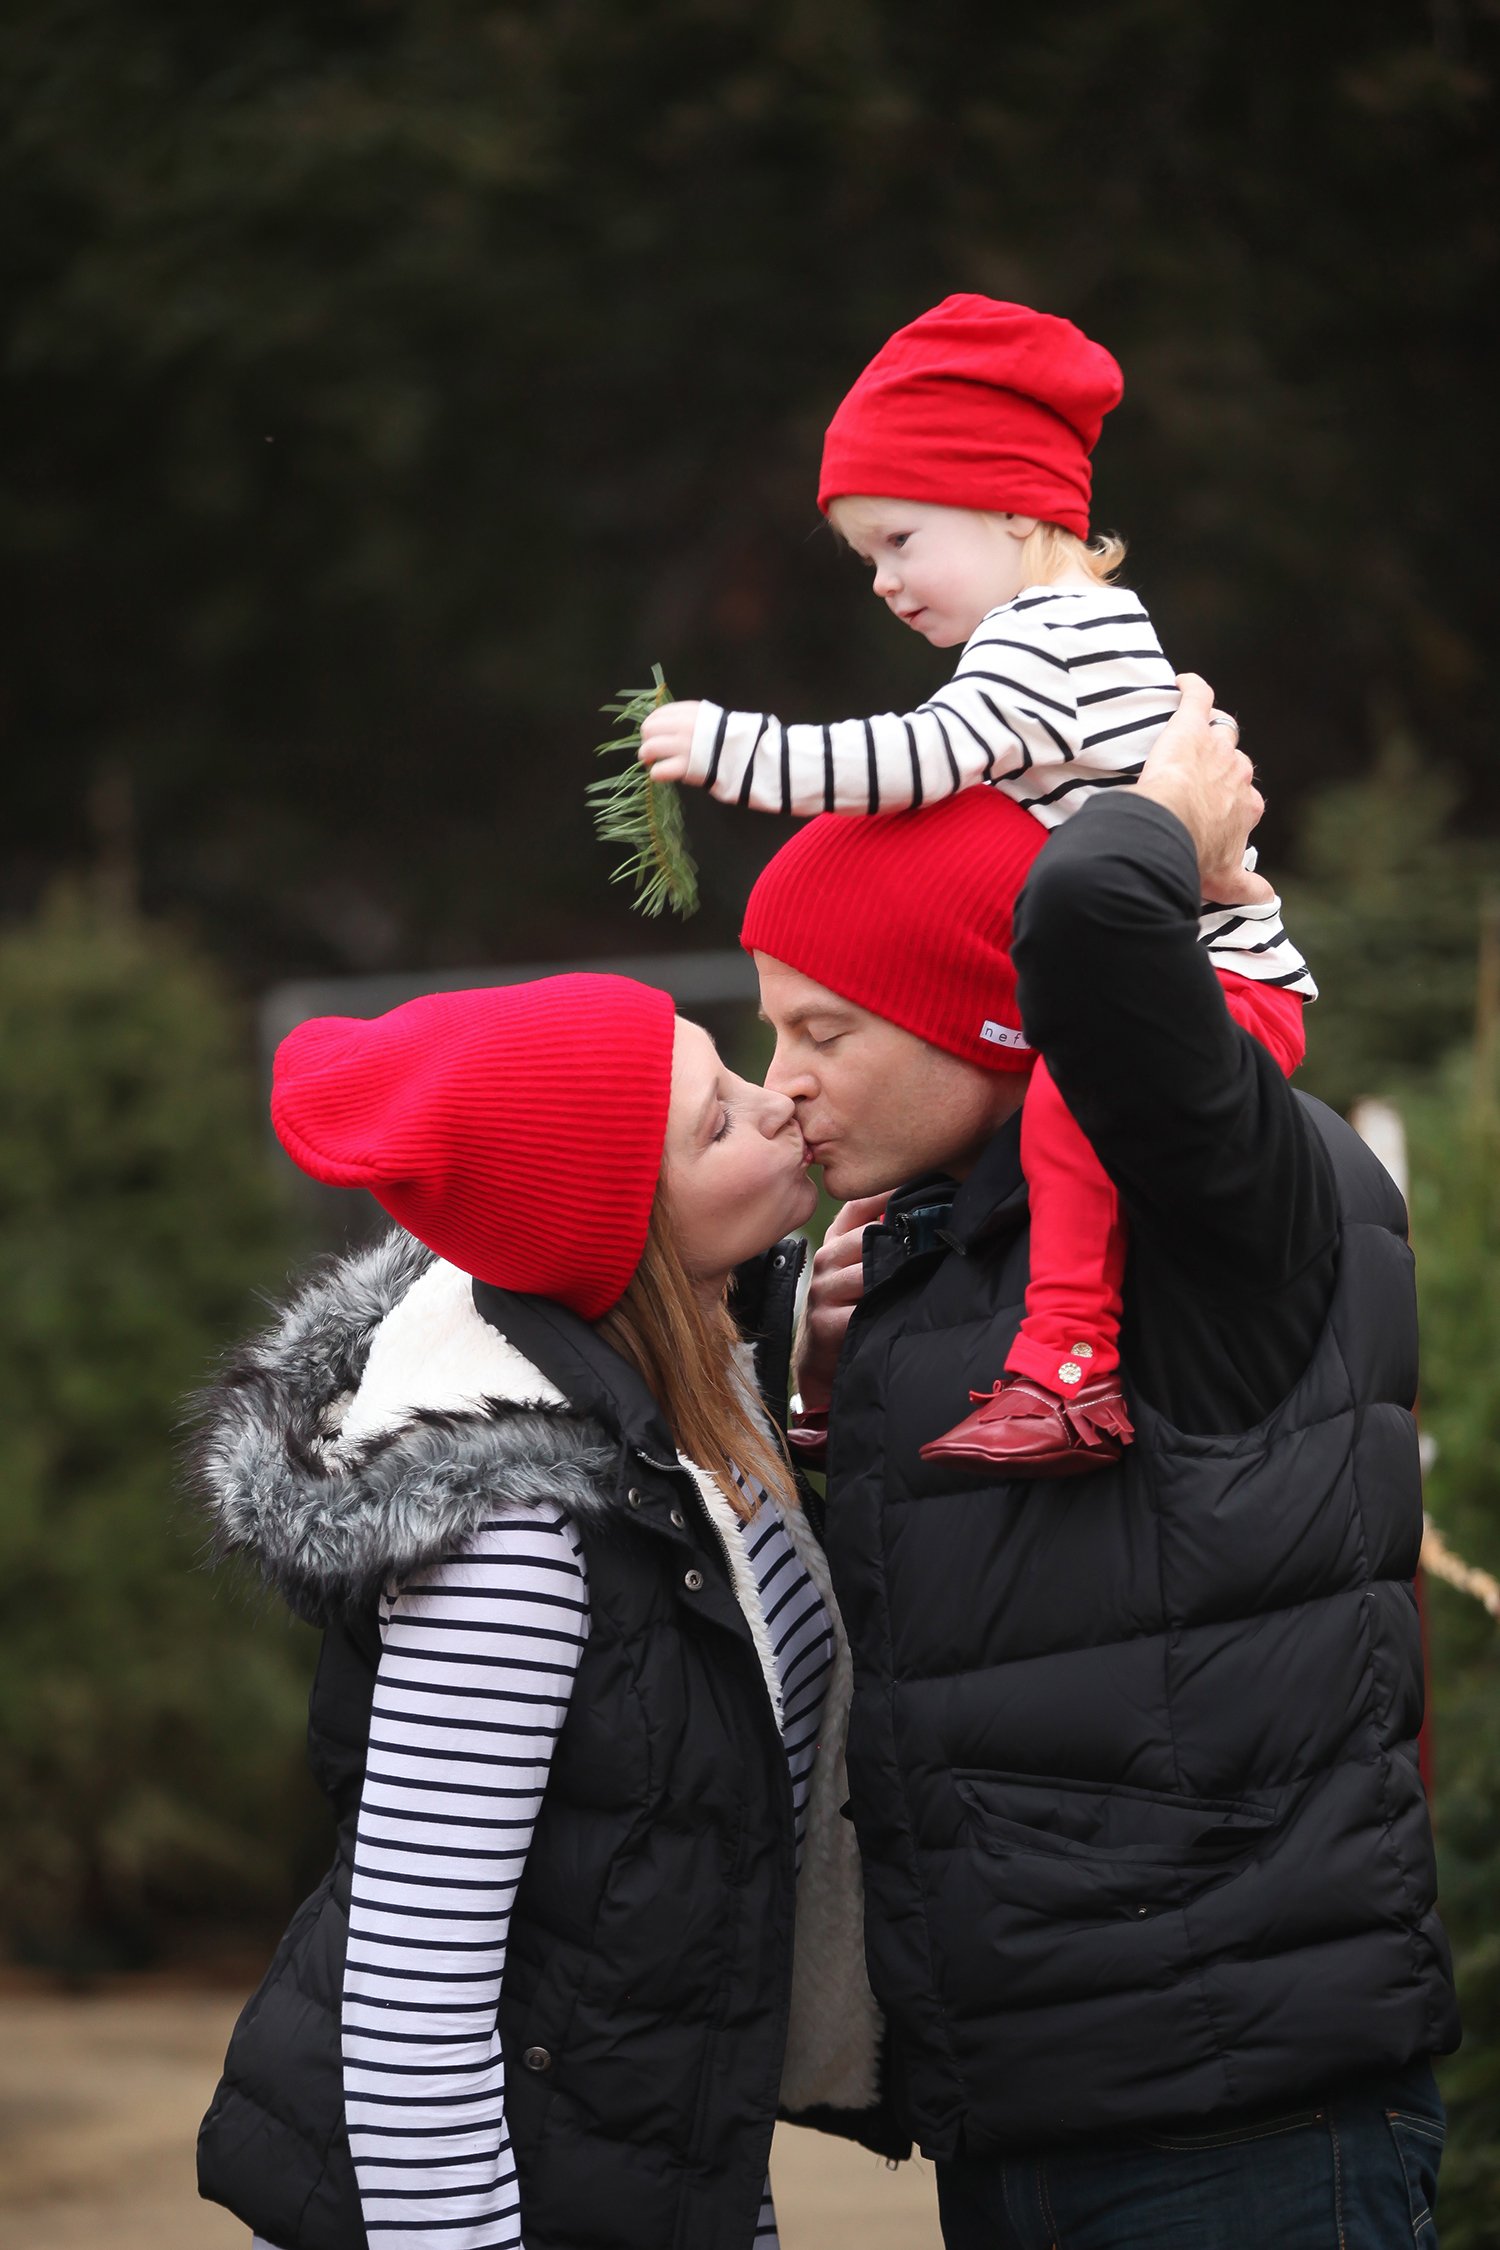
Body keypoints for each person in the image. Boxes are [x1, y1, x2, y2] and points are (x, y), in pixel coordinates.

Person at [741, 681, 1459, 2247]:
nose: (781, 1076)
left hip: (1236, 2124)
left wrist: (1161, 823)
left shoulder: (1218, 1200)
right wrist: (807, 1398)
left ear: (987, 1015)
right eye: (770, 1025)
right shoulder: (931, 1253)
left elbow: (1082, 927)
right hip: (1037, 2097)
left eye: (827, 1028)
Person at [189, 972, 899, 2250]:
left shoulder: (693, 1422)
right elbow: (414, 2015)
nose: (778, 1099)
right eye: (718, 1122)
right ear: (619, 1231)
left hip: (657, 2167)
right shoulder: (515, 1537)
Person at [639, 294, 1313, 1475]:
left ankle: (1064, 1369)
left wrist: (733, 748)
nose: (887, 585)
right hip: (1193, 972)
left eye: (902, 541)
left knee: (1076, 1108)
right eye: (868, 561)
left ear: (1016, 507)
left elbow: (907, 761)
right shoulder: (1087, 630)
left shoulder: (1046, 640)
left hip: (1209, 987)